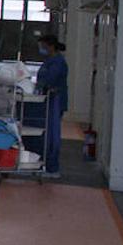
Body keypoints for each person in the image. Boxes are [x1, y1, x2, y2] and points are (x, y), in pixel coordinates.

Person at [34, 35, 69, 179]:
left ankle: (52, 167)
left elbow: (49, 80)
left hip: (55, 100)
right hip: (49, 99)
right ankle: (45, 164)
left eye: (43, 46)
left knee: (52, 135)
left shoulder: (58, 62)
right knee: (47, 134)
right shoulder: (51, 60)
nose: (41, 49)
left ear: (51, 46)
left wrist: (41, 86)